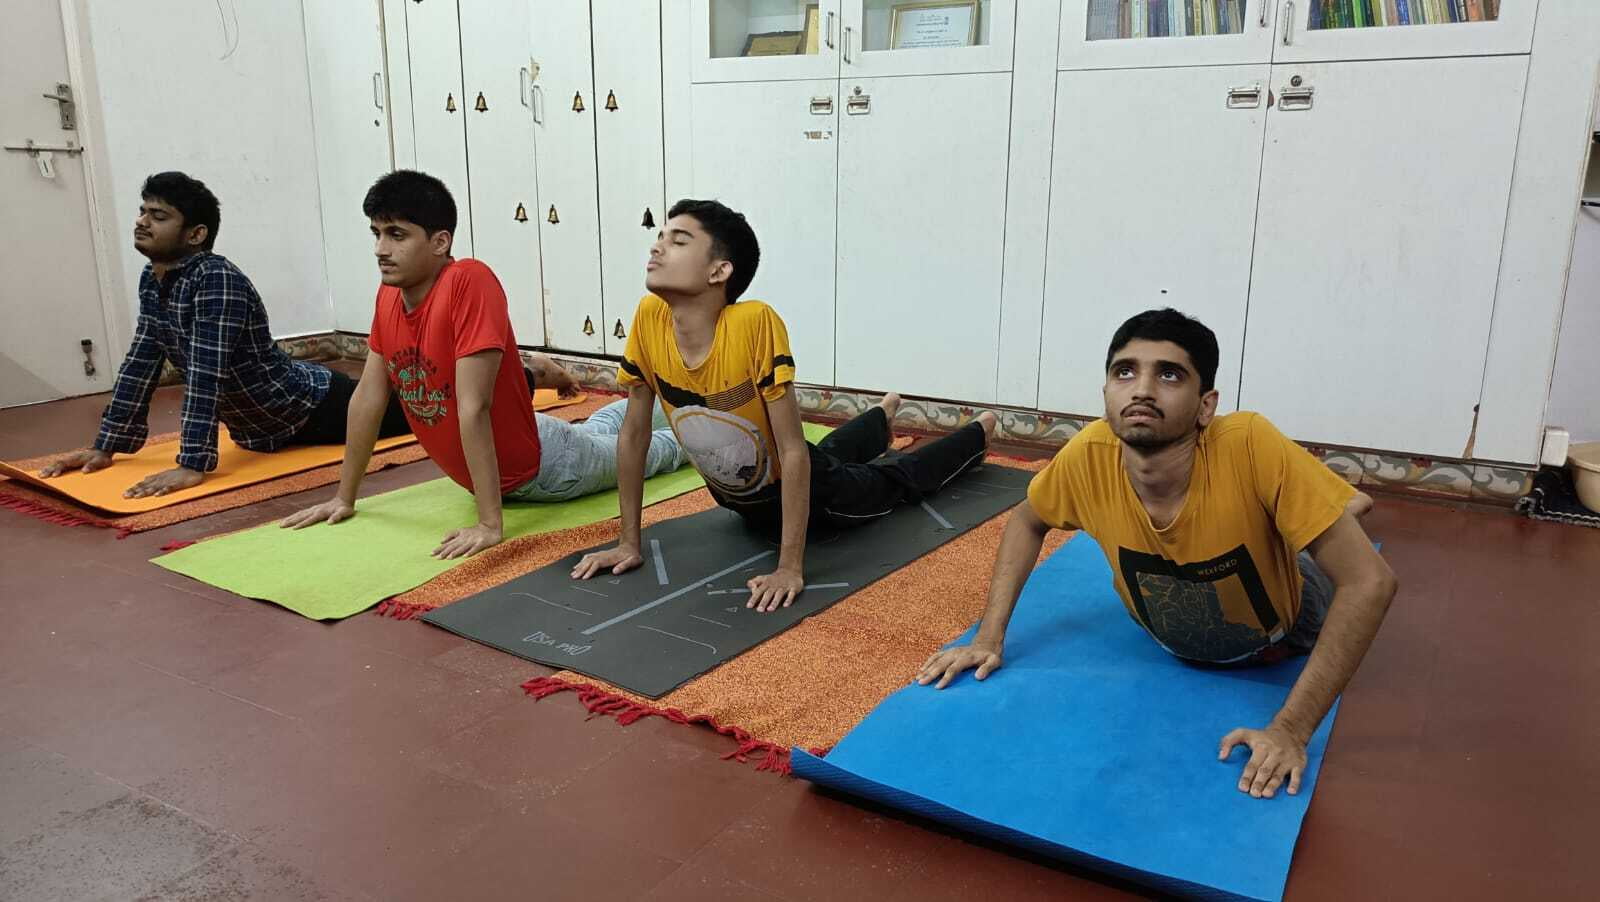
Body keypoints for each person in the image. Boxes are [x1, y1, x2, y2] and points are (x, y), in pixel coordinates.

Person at [917, 308, 1395, 800]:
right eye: (1125, 372)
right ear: (1106, 393)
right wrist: (988, 638)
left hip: (1289, 630)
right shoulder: (1088, 456)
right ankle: (1321, 501)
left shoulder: (1249, 443)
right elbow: (1027, 519)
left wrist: (1291, 731)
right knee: (1295, 519)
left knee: (1310, 551)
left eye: (1169, 375)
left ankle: (1341, 504)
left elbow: (1371, 582)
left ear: (1206, 406)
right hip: (1176, 640)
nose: (1142, 389)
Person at [571, 199, 998, 611]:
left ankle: (978, 433)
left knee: (892, 479)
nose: (657, 246)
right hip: (738, 497)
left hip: (817, 498)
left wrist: (789, 567)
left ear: (719, 270)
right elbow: (634, 433)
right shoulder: (650, 317)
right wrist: (628, 542)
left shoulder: (754, 323)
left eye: (679, 240)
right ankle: (880, 418)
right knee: (827, 453)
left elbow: (792, 449)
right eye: (661, 236)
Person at [282, 170, 685, 557]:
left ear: (440, 242)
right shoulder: (389, 295)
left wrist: (490, 524)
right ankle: (673, 405)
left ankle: (704, 421)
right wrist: (344, 498)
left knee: (663, 448)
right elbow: (367, 398)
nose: (380, 249)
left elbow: (474, 405)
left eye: (397, 235)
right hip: (536, 440)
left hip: (547, 468)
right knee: (601, 428)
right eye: (377, 234)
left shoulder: (468, 280)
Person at [38, 171, 409, 497]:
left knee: (419, 412)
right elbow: (140, 362)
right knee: (410, 397)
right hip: (262, 428)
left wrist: (192, 463)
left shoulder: (216, 279)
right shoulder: (153, 278)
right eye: (143, 212)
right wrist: (105, 446)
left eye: (159, 216)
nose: (142, 222)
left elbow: (206, 372)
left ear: (196, 234)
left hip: (309, 408)